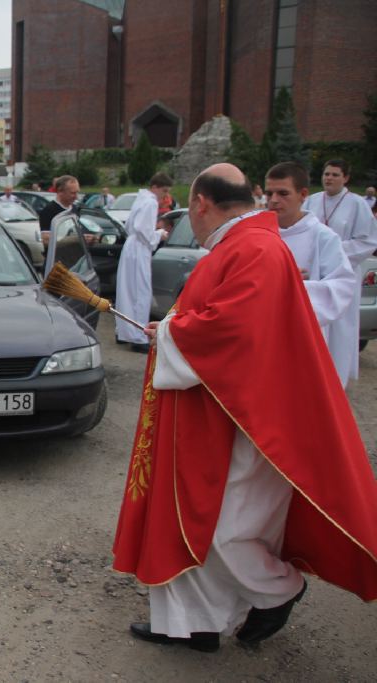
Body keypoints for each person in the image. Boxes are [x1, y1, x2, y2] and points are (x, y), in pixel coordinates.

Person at [113, 162, 377, 653]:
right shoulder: (243, 244)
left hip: (241, 418)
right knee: (197, 517)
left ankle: (277, 590)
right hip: (215, 407)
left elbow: (234, 329)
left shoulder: (253, 248)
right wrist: (171, 328)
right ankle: (193, 625)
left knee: (218, 525)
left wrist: (172, 333)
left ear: (200, 204)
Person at [265, 162, 356, 385]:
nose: (273, 200)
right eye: (269, 193)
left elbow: (342, 286)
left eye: (283, 193)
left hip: (301, 335)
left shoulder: (323, 237)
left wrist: (292, 287)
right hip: (262, 332)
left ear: (303, 194)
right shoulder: (258, 233)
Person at [303, 159, 377, 384]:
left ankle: (337, 378)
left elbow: (367, 241)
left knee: (341, 328)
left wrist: (333, 249)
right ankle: (313, 375)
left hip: (343, 275)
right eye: (326, 174)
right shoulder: (312, 201)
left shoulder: (357, 204)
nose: (329, 178)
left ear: (346, 178)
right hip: (315, 274)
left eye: (335, 174)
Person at [114, 172, 172, 351]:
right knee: (141, 292)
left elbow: (130, 225)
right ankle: (138, 337)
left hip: (131, 247)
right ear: (155, 187)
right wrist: (159, 234)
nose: (165, 195)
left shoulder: (141, 199)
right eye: (164, 190)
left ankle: (123, 331)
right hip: (139, 248)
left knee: (127, 290)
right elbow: (143, 230)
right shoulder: (151, 202)